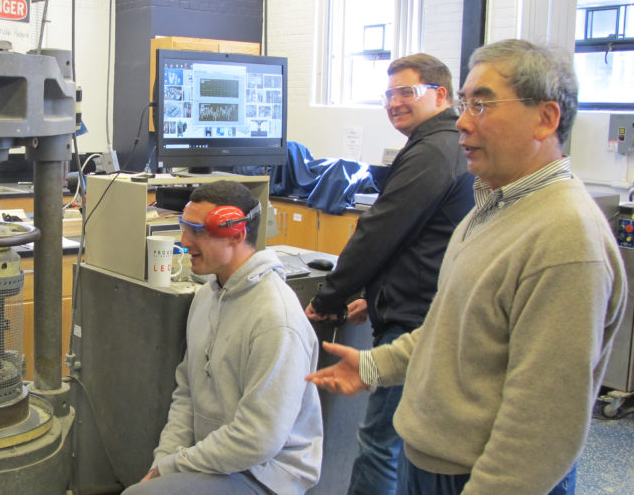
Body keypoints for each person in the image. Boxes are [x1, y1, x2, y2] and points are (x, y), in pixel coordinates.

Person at [306, 39, 628, 495]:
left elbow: (541, 426)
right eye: (464, 104)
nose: (461, 121)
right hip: (435, 458)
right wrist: (376, 365)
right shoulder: (490, 209)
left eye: (482, 105)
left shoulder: (565, 238)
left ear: (546, 118)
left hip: (483, 474)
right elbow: (451, 325)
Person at [305, 53, 474, 494]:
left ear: (440, 94)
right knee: (403, 441)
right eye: (389, 93)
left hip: (415, 320)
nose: (394, 102)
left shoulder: (435, 148)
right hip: (417, 304)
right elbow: (421, 241)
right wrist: (377, 296)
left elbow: (382, 230)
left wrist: (329, 297)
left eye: (407, 92)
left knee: (383, 442)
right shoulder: (440, 144)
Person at [124, 180, 324, 495]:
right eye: (184, 227)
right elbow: (186, 394)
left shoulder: (275, 320)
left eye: (197, 231)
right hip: (218, 462)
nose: (184, 241)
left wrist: (173, 466)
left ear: (238, 234)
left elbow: (258, 439)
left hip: (266, 474)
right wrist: (161, 464)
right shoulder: (207, 298)